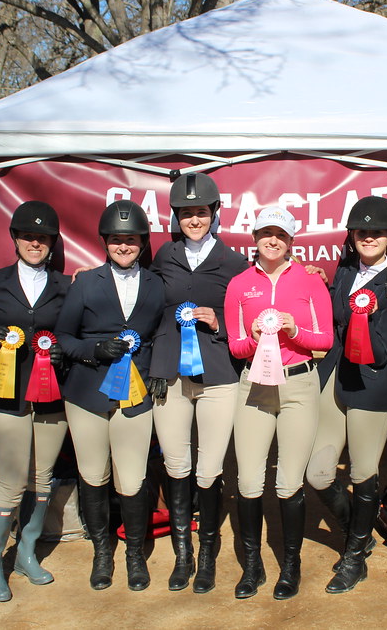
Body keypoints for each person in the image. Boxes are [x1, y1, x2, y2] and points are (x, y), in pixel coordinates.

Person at [0, 201, 70, 602]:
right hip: (5, 393)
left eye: (42, 238)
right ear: (15, 239)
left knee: (43, 478)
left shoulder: (65, 285)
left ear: (52, 242)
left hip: (50, 395)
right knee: (11, 481)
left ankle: (25, 551)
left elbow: (70, 335)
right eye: (28, 236)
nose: (35, 243)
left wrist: (61, 353)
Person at [223, 205, 333, 600]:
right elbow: (237, 347)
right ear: (254, 238)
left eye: (281, 234)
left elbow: (325, 340)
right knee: (249, 480)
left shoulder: (310, 281)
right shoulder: (238, 285)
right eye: (266, 233)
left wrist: (294, 328)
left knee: (289, 482)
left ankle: (291, 564)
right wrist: (254, 338)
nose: (273, 240)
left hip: (299, 387)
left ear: (291, 240)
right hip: (254, 386)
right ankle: (252, 566)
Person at [55, 200, 165, 592]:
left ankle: (134, 553)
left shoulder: (156, 283)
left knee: (133, 475)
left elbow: (162, 334)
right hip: (87, 390)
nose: (124, 246)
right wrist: (92, 351)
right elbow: (64, 336)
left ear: (142, 242)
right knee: (93, 473)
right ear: (105, 242)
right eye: (117, 240)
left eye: (131, 240)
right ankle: (102, 552)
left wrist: (157, 370)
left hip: (134, 392)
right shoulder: (85, 282)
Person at [147, 174, 249, 593]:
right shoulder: (162, 258)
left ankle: (206, 553)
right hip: (169, 372)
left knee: (209, 467)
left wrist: (219, 321)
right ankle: (182, 554)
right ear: (176, 216)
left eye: (201, 212)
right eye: (186, 213)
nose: (194, 219)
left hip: (218, 373)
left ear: (214, 214)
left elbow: (250, 313)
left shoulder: (234, 262)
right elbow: (142, 303)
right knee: (176, 464)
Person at [304, 196, 387, 594]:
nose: (368, 237)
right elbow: (330, 316)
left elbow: (382, 352)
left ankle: (354, 558)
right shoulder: (346, 271)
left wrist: (361, 319)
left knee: (364, 473)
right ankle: (358, 534)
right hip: (334, 378)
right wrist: (321, 284)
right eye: (361, 231)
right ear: (352, 236)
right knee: (316, 472)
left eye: (377, 232)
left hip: (371, 385)